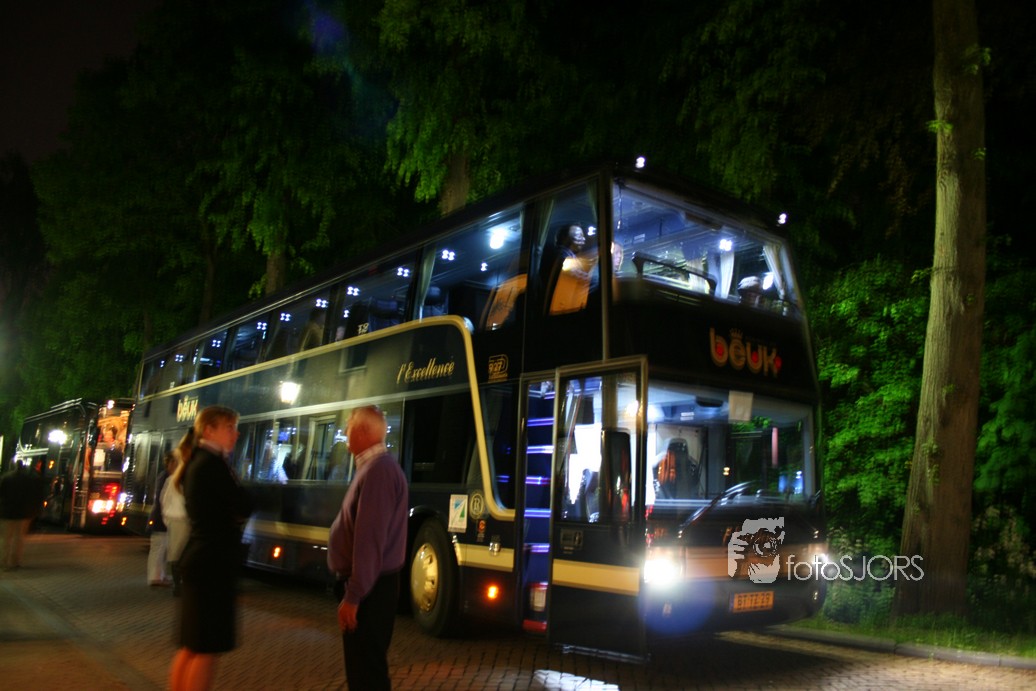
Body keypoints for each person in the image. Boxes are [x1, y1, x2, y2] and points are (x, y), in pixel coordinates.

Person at [169, 406, 253, 691]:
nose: (236, 433)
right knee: (206, 650)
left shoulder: (198, 461)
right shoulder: (213, 465)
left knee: (192, 646)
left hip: (201, 561)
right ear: (209, 430)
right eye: (229, 427)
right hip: (212, 565)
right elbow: (242, 504)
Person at [327, 406, 408, 690]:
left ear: (362, 431)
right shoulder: (375, 468)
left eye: (348, 426)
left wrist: (354, 595)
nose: (344, 431)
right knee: (365, 669)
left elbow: (369, 539)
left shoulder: (378, 471)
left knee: (366, 674)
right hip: (372, 587)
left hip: (370, 591)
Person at [164, 429, 195, 596]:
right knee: (178, 552)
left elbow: (164, 501)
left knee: (178, 552)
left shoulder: (176, 479)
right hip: (180, 519)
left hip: (180, 519)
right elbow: (165, 501)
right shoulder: (178, 479)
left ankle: (179, 584)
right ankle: (179, 585)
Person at [0, 461, 44, 570]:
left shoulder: (6, 478)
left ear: (14, 467)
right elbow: (33, 496)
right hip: (23, 514)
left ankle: (3, 562)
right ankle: (15, 562)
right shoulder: (28, 480)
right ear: (23, 467)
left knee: (5, 539)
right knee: (19, 539)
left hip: (7, 513)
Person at [147, 453, 176, 586]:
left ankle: (159, 576)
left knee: (161, 548)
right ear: (169, 463)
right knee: (159, 548)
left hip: (160, 518)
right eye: (174, 463)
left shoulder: (164, 476)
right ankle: (156, 577)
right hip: (160, 519)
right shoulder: (166, 477)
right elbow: (162, 500)